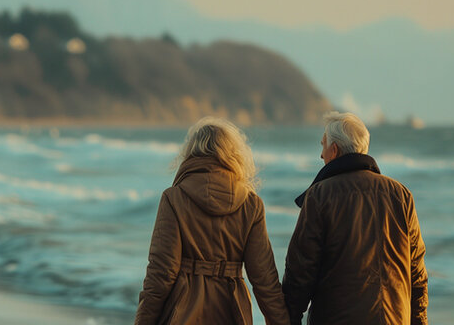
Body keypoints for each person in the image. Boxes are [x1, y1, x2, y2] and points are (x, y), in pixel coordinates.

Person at [136, 117, 289, 325]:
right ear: (233, 155)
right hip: (232, 313)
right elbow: (265, 280)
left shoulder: (174, 198)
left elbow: (161, 273)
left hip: (183, 314)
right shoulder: (251, 204)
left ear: (191, 153)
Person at [283, 112, 428, 324]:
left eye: (322, 146)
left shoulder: (320, 195)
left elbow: (300, 272)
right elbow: (417, 274)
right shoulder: (401, 195)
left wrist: (288, 319)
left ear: (334, 150)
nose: (321, 155)